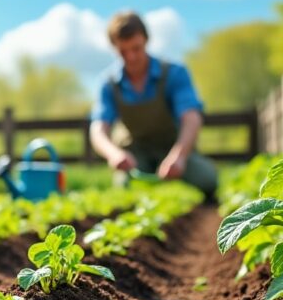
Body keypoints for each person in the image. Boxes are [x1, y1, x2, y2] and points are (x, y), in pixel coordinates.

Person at [89, 11, 218, 200]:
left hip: (173, 145)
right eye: (123, 52)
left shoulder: (174, 74)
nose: (131, 57)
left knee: (207, 179)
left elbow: (191, 118)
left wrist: (179, 156)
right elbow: (98, 128)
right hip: (136, 152)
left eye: (136, 48)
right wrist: (114, 154)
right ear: (114, 48)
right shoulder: (108, 84)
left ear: (146, 41)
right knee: (124, 186)